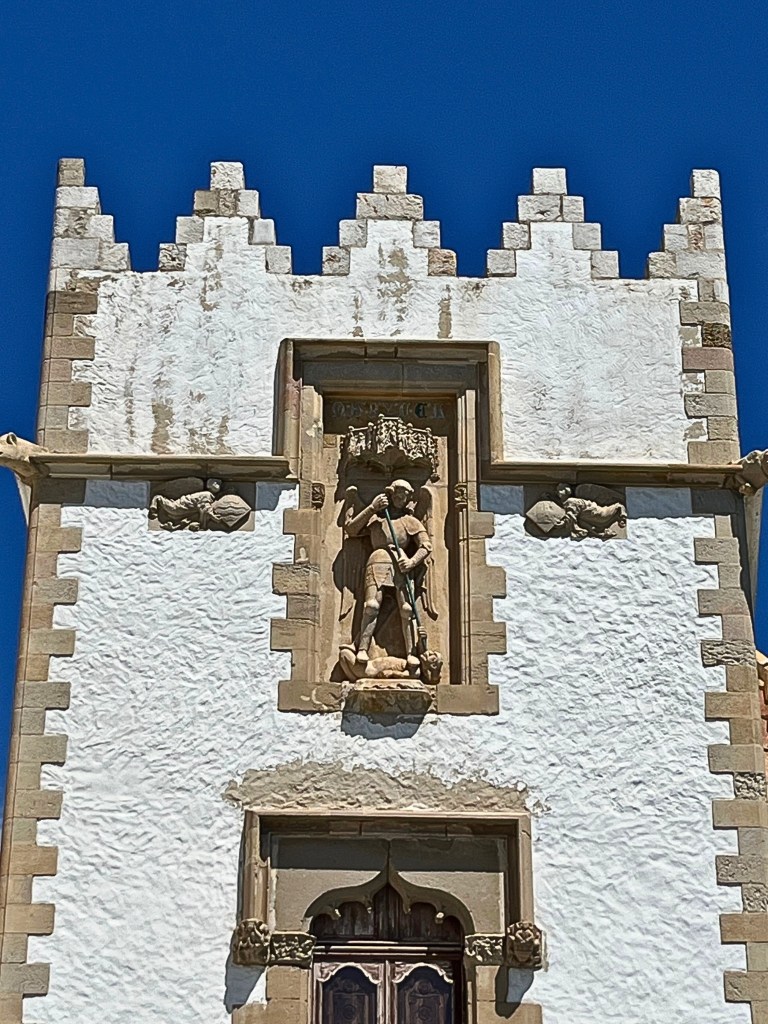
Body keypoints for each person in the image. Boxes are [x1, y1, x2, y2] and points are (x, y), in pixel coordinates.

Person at [344, 479, 431, 665]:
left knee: (407, 609)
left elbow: (426, 545)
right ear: (391, 494)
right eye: (398, 493)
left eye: (405, 495)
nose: (401, 497)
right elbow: (351, 529)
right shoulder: (377, 518)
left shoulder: (410, 521)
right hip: (378, 560)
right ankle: (362, 649)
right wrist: (371, 508)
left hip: (401, 563)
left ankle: (411, 653)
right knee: (371, 606)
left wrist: (411, 561)